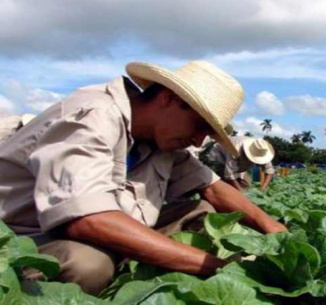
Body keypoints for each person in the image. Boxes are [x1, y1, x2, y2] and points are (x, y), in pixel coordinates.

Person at [0, 61, 287, 295]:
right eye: (200, 126)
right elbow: (87, 220)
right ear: (168, 98)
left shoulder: (159, 138)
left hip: (104, 232)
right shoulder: (93, 116)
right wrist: (214, 266)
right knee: (89, 265)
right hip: (26, 238)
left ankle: (130, 267)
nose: (199, 141)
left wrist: (273, 229)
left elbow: (212, 188)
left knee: (205, 211)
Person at [209, 136, 275, 191]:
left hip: (239, 164)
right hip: (219, 157)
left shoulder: (262, 151)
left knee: (246, 185)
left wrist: (262, 189)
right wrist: (241, 193)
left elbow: (270, 172)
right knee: (227, 187)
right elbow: (230, 175)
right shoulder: (235, 150)